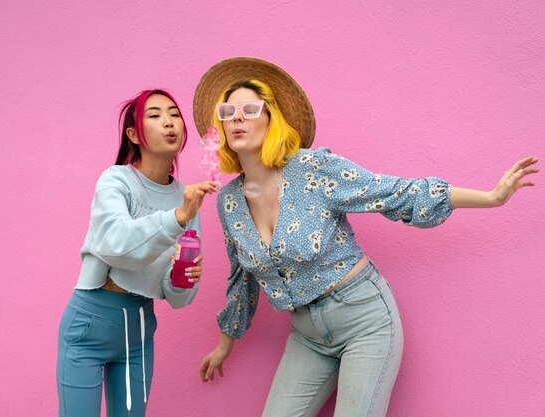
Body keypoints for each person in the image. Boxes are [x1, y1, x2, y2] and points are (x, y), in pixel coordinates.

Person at [194, 57, 539, 417]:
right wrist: (225, 344)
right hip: (306, 334)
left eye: (249, 109)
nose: (236, 117)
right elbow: (242, 278)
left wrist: (491, 197)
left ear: (271, 118)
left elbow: (392, 192)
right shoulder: (229, 201)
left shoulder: (312, 170)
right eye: (227, 110)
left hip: (364, 319)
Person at [57, 89, 217, 417]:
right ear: (134, 134)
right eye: (155, 115)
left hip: (140, 330)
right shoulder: (116, 181)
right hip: (90, 322)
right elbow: (117, 245)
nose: (169, 122)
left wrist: (184, 278)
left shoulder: (187, 199)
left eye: (174, 114)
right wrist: (177, 218)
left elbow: (179, 300)